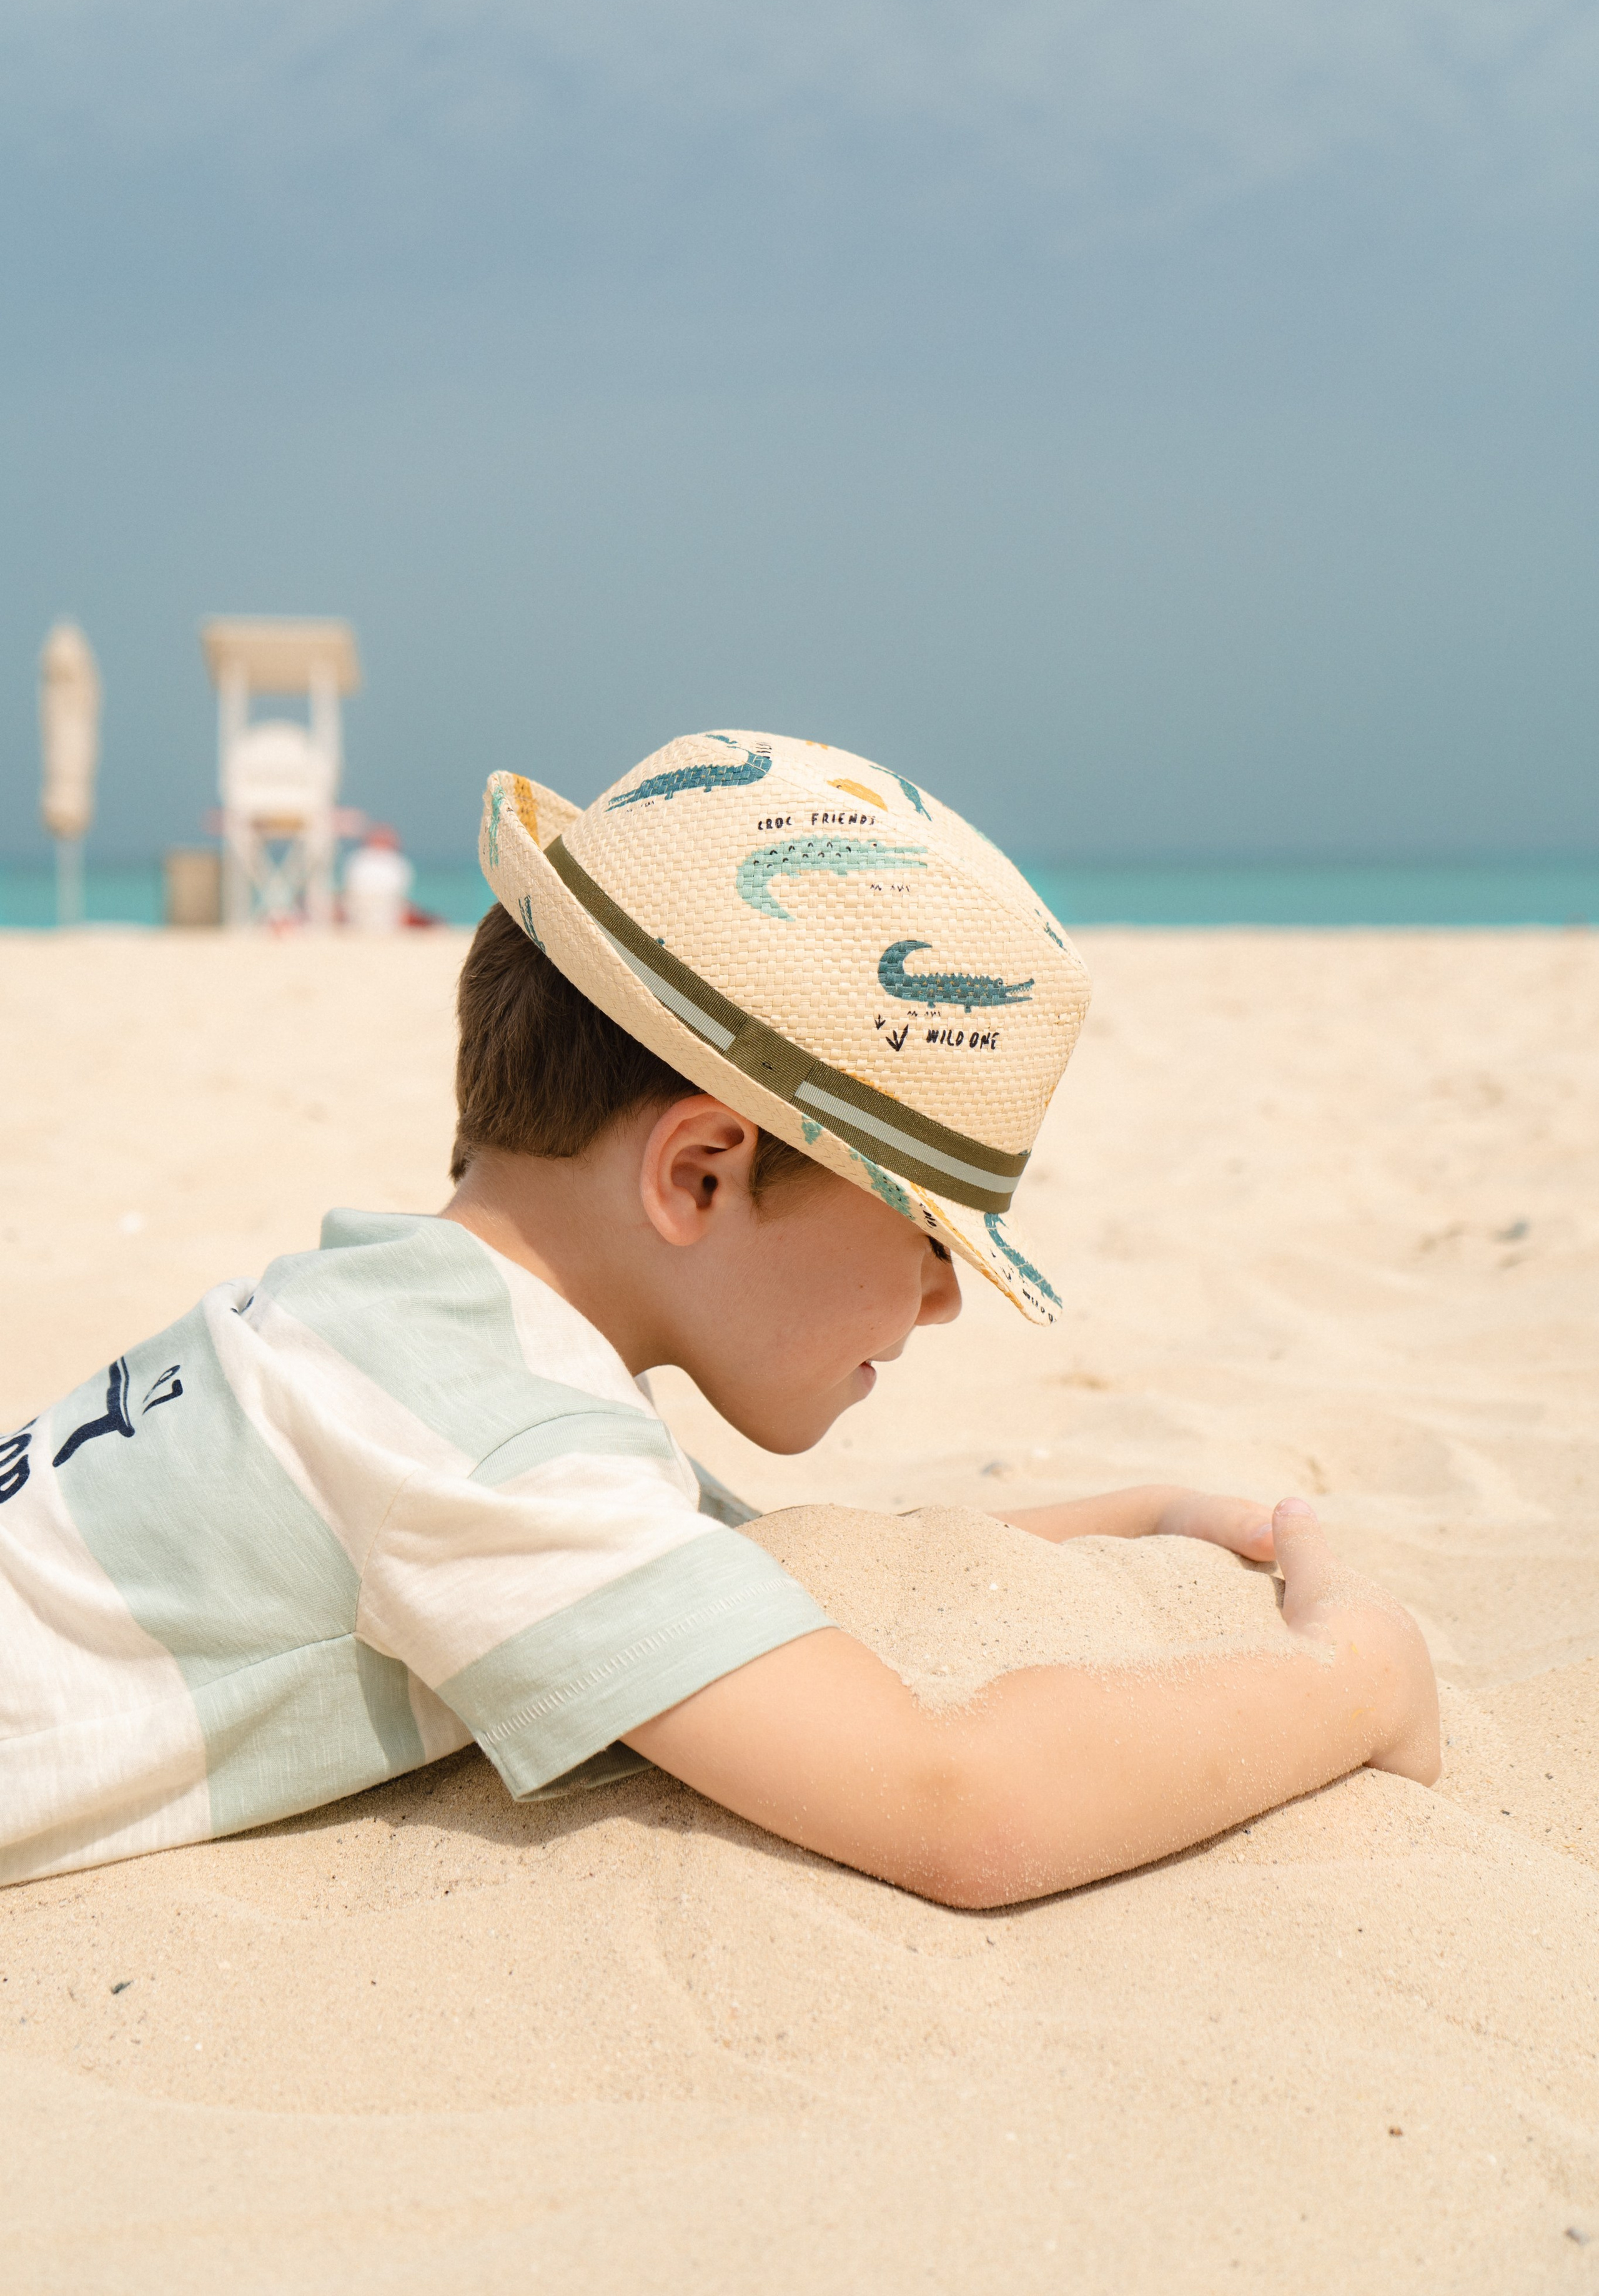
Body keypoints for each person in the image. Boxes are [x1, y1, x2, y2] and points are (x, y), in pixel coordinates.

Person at [0, 733, 1438, 1898]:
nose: (941, 1303)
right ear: (697, 1172)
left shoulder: (397, 1321)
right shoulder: (493, 1454)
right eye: (928, 1232)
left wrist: (1147, 1513)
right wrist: (1355, 1682)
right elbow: (957, 1807)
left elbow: (753, 1571)